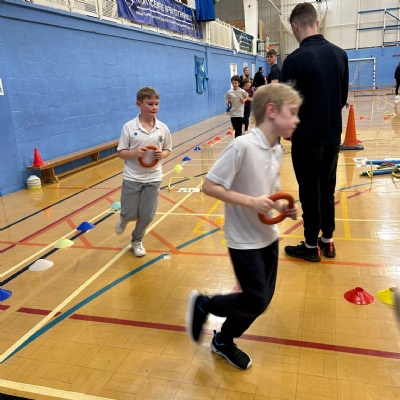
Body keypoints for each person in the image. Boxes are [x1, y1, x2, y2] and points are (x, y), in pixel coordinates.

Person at [186, 83, 301, 370]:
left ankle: (223, 340)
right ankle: (206, 305)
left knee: (261, 300)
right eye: (292, 112)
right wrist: (251, 202)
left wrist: (282, 208)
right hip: (243, 240)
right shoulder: (242, 146)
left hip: (268, 236)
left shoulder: (275, 149)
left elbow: (270, 192)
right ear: (272, 111)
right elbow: (209, 186)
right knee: (256, 299)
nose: (297, 120)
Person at [281, 2, 349, 262]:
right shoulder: (340, 55)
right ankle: (327, 241)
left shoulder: (294, 60)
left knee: (309, 191)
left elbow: (286, 104)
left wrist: (287, 129)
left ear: (295, 26)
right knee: (327, 189)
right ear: (317, 22)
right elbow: (342, 98)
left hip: (306, 140)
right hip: (332, 136)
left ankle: (310, 246)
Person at [115, 86, 172, 257]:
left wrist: (162, 154)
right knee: (130, 213)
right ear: (139, 104)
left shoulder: (163, 128)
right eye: (150, 104)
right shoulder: (128, 127)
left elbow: (168, 149)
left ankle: (137, 240)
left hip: (153, 177)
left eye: (157, 104)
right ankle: (124, 218)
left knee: (147, 215)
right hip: (132, 177)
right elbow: (121, 152)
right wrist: (133, 153)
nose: (154, 107)